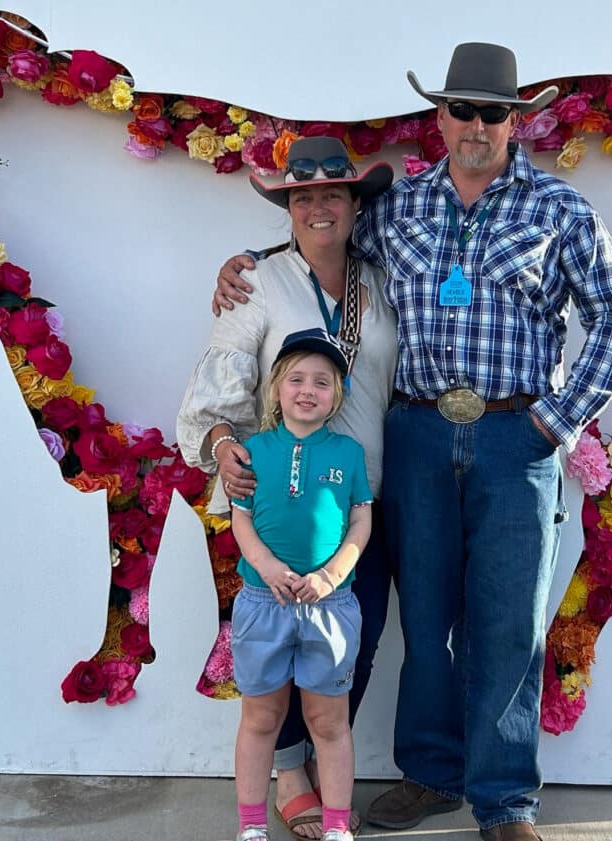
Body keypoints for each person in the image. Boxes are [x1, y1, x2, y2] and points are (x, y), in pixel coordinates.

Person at [213, 43, 612, 841]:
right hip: (413, 430)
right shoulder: (401, 207)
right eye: (463, 109)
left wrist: (558, 419)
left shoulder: (559, 208)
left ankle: (506, 799)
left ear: (514, 122)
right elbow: (324, 240)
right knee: (429, 615)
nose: (477, 125)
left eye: (494, 112)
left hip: (519, 434)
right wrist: (249, 264)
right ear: (440, 118)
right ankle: (431, 772)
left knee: (510, 617)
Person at [177, 137, 398, 839]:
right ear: (288, 207)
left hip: (364, 495)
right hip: (284, 500)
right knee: (276, 639)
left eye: (334, 193)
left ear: (355, 203)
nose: (319, 207)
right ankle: (291, 772)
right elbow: (224, 368)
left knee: (345, 645)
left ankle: (321, 768)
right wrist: (218, 443)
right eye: (303, 197)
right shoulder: (258, 280)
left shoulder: (382, 278)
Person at [226, 328, 372, 841]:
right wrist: (265, 565)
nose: (308, 390)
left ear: (338, 394)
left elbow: (360, 522)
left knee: (328, 722)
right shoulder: (253, 451)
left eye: (323, 382)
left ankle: (336, 826)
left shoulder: (349, 454)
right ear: (276, 388)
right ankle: (251, 826)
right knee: (261, 719)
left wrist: (332, 575)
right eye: (296, 379)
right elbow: (240, 519)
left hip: (329, 608)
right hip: (262, 604)